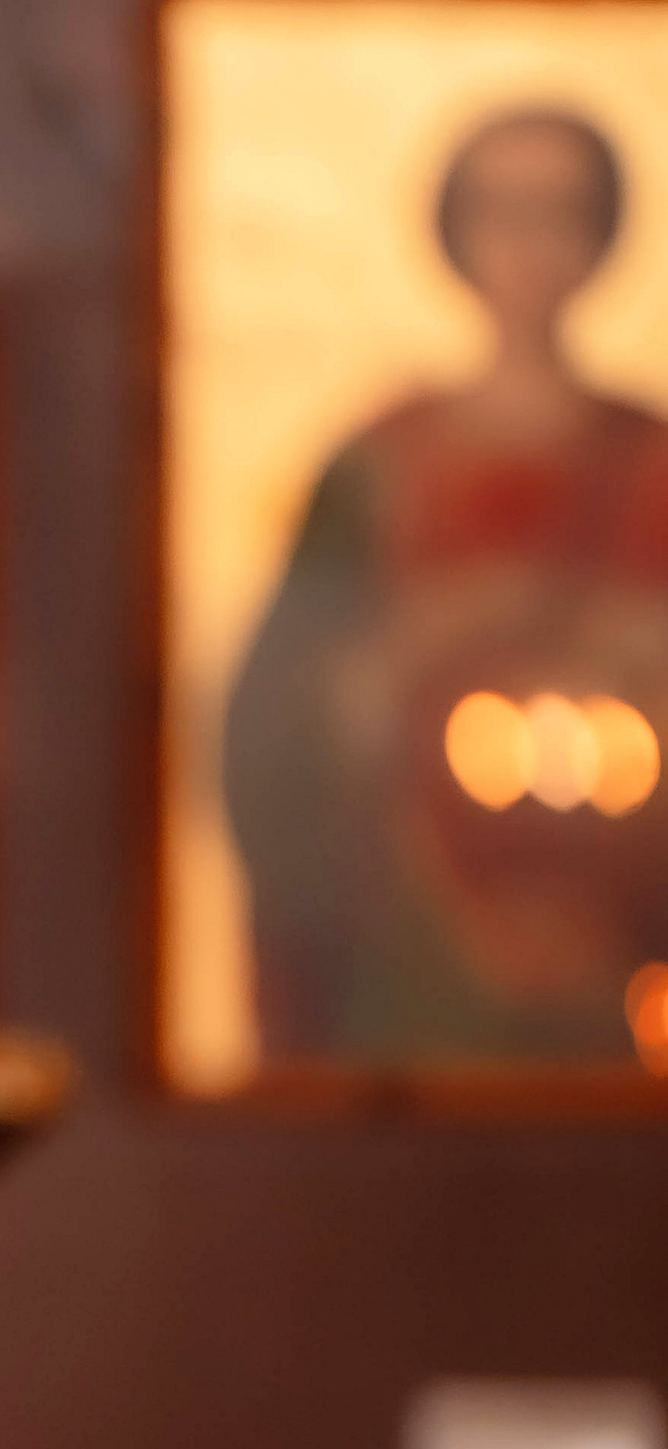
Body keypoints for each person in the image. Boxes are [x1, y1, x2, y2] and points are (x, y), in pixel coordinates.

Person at [227, 104, 668, 1065]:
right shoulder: (381, 466)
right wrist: (404, 655)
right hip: (413, 951)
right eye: (500, 210)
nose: (528, 245)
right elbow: (276, 720)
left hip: (622, 953)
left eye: (559, 210)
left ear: (603, 232)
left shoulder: (651, 466)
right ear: (456, 231)